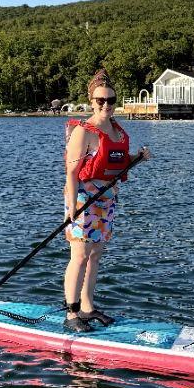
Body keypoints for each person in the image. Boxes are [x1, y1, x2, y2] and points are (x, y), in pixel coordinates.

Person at [63, 70, 150, 331]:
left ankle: (88, 308)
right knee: (79, 255)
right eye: (100, 100)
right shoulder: (83, 132)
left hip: (107, 200)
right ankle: (71, 313)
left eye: (110, 100)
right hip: (84, 199)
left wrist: (138, 157)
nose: (106, 105)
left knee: (95, 255)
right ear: (91, 101)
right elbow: (71, 173)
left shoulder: (117, 132)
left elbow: (117, 164)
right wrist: (73, 210)